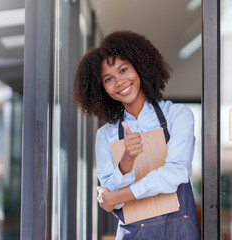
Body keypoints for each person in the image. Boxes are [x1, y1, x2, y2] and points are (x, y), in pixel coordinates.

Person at [73, 31, 200, 240]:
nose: (120, 82)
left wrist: (117, 196)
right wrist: (126, 161)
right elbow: (109, 202)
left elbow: (174, 175)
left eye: (124, 70)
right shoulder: (106, 135)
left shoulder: (177, 115)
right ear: (101, 88)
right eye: (108, 79)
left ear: (139, 67)